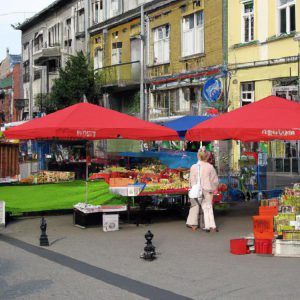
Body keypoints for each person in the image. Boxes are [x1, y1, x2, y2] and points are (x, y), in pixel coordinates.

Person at [186, 150, 219, 232]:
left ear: (198, 156)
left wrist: (193, 188)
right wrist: (214, 188)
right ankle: (211, 226)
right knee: (208, 208)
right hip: (207, 190)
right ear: (207, 157)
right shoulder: (210, 167)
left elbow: (191, 180)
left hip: (196, 190)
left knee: (195, 206)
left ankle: (193, 224)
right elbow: (214, 180)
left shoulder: (193, 166)